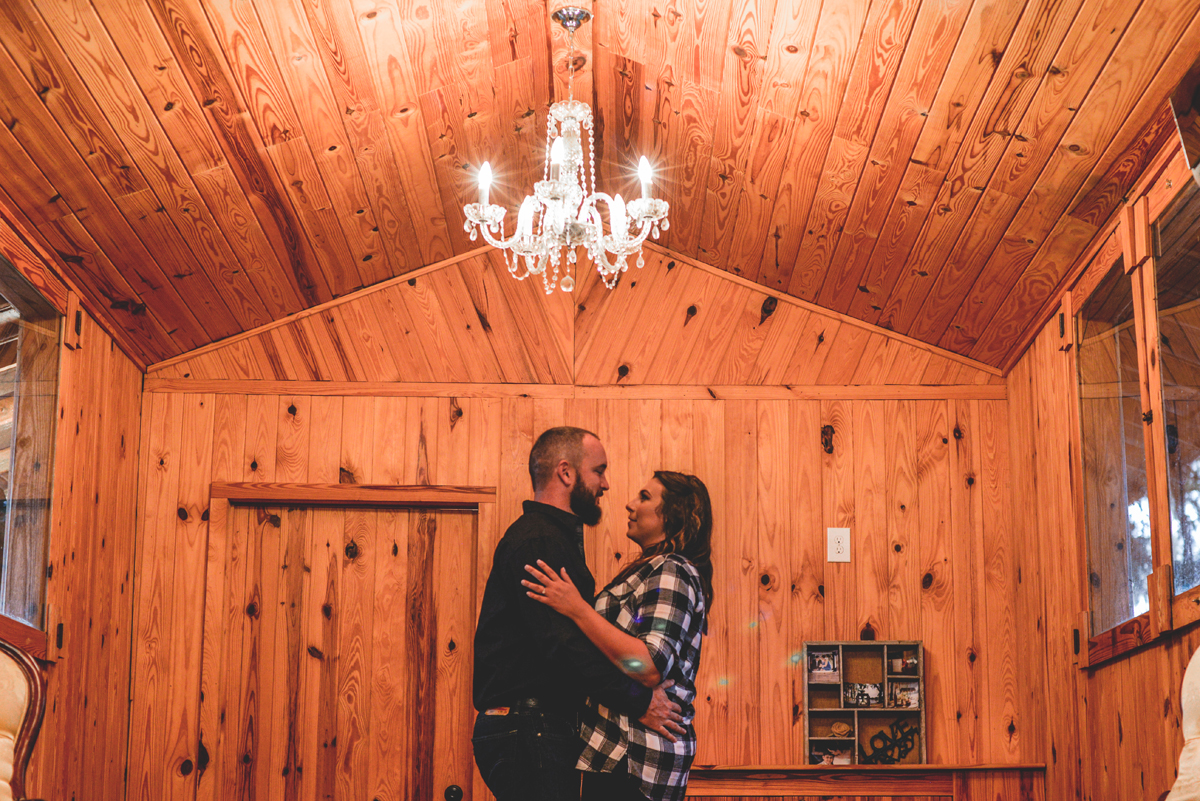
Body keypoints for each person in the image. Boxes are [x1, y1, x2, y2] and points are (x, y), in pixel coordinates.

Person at [472, 427, 685, 801]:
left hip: (532, 726)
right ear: (566, 473)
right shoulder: (540, 540)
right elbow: (563, 646)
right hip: (529, 725)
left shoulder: (551, 538)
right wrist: (638, 702)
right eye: (598, 470)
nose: (605, 484)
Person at [522, 470, 713, 801]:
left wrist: (577, 609)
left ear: (674, 515)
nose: (630, 504)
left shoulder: (672, 570)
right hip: (618, 754)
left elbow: (650, 664)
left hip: (634, 757)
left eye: (644, 497)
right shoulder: (653, 569)